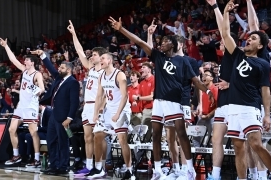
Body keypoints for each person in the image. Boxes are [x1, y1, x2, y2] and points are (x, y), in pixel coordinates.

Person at [108, 16, 214, 180]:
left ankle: (189, 170)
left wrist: (207, 92)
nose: (161, 44)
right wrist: (121, 29)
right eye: (160, 42)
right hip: (158, 101)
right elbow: (140, 43)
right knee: (156, 136)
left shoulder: (184, 61)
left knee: (182, 135)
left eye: (164, 42)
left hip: (174, 101)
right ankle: (158, 170)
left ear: (173, 44)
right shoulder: (158, 57)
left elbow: (195, 81)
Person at [221, 1, 271, 179]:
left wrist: (267, 114)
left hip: (250, 107)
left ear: (260, 46)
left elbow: (264, 90)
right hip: (233, 107)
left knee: (256, 144)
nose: (249, 39)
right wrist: (225, 12)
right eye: (248, 38)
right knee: (238, 148)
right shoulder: (238, 55)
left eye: (253, 39)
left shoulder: (262, 64)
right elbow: (225, 34)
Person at [66, 20, 108, 176]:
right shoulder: (90, 68)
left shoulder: (105, 71)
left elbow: (106, 92)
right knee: (87, 138)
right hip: (87, 106)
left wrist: (101, 107)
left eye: (95, 55)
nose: (91, 56)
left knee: (99, 138)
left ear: (101, 57)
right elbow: (79, 51)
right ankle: (90, 166)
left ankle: (101, 166)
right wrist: (74, 34)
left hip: (98, 106)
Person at [0, 38, 45, 167]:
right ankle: (16, 155)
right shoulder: (24, 70)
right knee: (12, 129)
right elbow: (13, 59)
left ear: (32, 62)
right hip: (21, 106)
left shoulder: (37, 74)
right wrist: (6, 46)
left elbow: (42, 88)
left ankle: (36, 159)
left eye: (27, 60)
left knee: (33, 132)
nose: (25, 61)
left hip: (31, 106)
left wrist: (34, 91)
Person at [35, 49, 80, 175]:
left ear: (69, 70)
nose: (59, 69)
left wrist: (70, 118)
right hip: (54, 115)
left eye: (62, 67)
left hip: (64, 117)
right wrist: (43, 56)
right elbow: (50, 68)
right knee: (51, 141)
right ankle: (54, 165)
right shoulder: (59, 79)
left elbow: (74, 102)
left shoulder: (73, 83)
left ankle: (63, 166)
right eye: (59, 67)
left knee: (63, 142)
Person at [88, 53, 133, 179]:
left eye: (103, 58)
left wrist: (118, 113)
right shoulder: (101, 76)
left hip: (122, 110)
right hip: (109, 111)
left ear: (110, 60)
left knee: (122, 140)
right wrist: (96, 113)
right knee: (97, 135)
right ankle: (98, 168)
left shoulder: (119, 75)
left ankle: (130, 171)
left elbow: (125, 96)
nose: (100, 60)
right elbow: (99, 96)